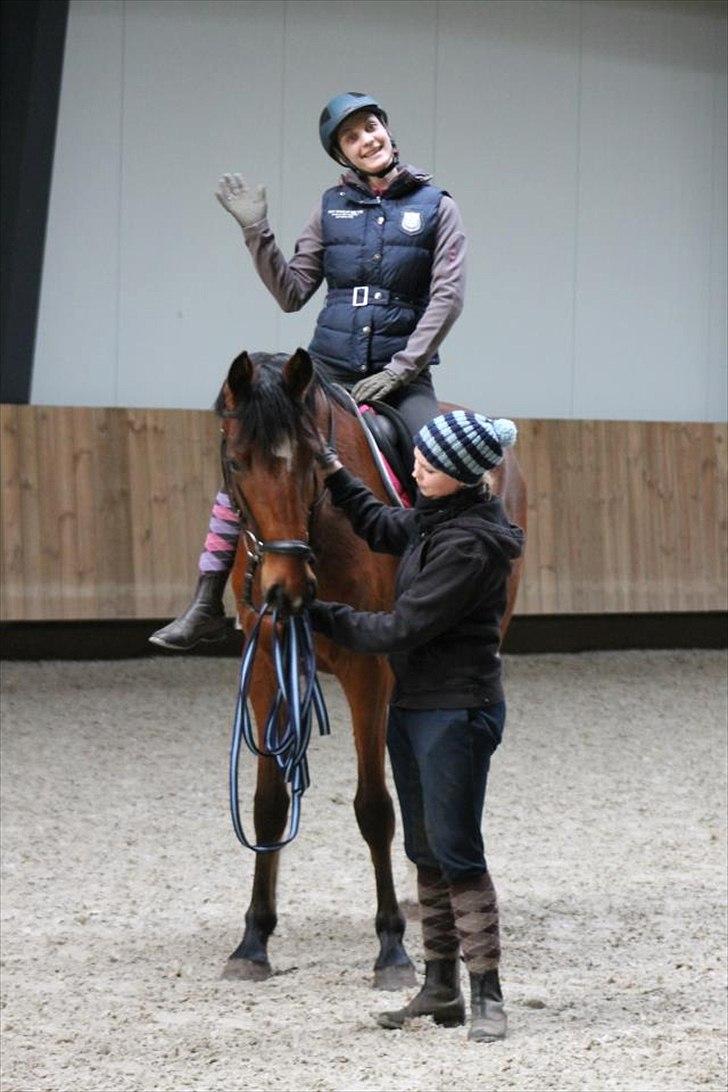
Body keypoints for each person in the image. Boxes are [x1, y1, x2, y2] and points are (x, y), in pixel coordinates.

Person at [150, 90, 467, 651]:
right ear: (342, 154)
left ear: (388, 133)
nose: (366, 139)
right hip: (327, 371)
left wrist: (400, 370)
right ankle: (205, 600)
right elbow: (293, 293)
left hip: (403, 378)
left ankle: (436, 601)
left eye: (371, 128)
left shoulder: (438, 206)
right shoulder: (330, 208)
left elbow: (446, 298)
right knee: (253, 458)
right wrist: (257, 232)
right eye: (351, 137)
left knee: (435, 465)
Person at [308, 411, 524, 1042]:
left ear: (457, 477)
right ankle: (439, 989)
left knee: (458, 852)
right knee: (423, 850)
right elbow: (378, 523)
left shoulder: (471, 545)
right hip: (416, 708)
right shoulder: (439, 520)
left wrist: (318, 616)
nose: (414, 469)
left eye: (427, 465)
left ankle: (488, 994)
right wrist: (333, 471)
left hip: (455, 712)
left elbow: (400, 628)